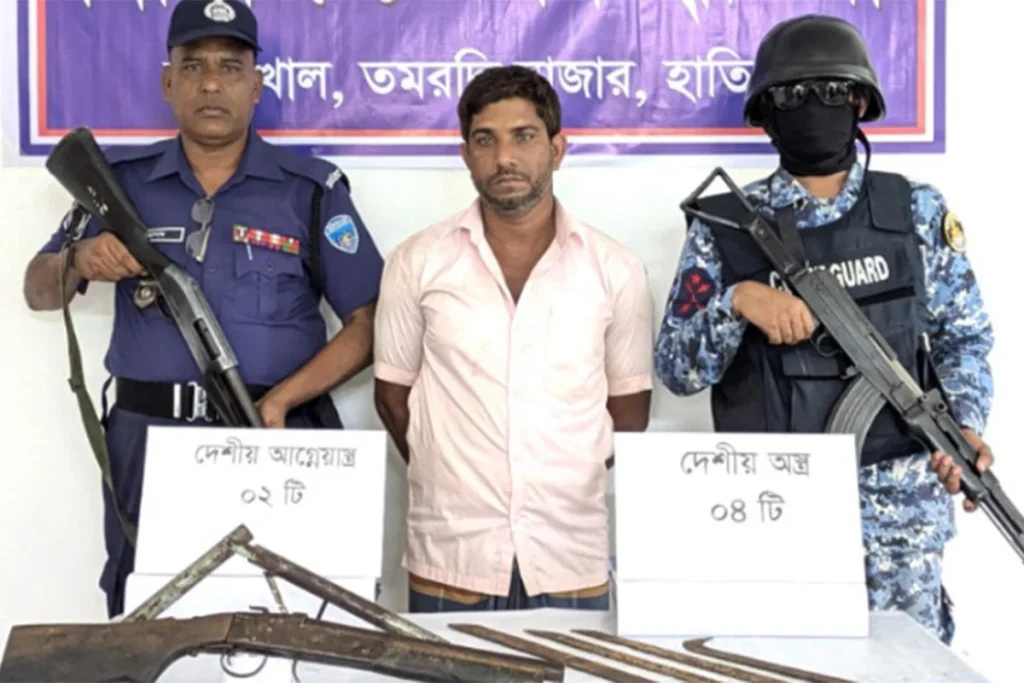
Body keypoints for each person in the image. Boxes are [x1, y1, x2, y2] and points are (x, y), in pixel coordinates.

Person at [22, 0, 383, 618]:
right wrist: (79, 259)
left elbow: (369, 325)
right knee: (146, 611)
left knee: (289, 615)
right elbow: (37, 289)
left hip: (274, 438)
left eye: (230, 67)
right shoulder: (119, 181)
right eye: (193, 66)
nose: (211, 83)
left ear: (256, 85)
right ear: (168, 83)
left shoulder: (309, 190)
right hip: (149, 442)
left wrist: (282, 401)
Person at [654, 14, 994, 645]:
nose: (813, 106)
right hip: (770, 514)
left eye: (832, 91)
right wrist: (735, 302)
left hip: (900, 518)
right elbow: (676, 368)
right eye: (791, 95)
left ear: (860, 101)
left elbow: (964, 339)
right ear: (766, 114)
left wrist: (963, 427)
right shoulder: (728, 225)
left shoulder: (915, 210)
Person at [373, 65, 653, 613]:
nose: (504, 158)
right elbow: (392, 396)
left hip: (570, 550)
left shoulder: (615, 269)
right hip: (453, 552)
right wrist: (450, 473)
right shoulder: (416, 261)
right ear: (466, 155)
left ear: (557, 149)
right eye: (486, 140)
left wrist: (562, 477)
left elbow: (629, 410)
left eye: (524, 137)